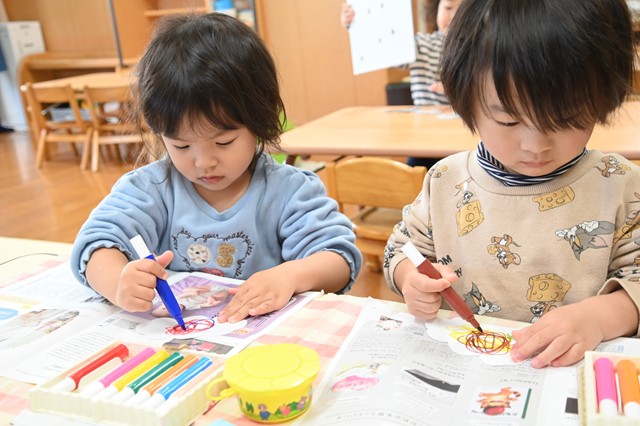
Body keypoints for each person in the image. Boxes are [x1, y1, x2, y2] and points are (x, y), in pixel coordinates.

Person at [383, 0, 640, 369]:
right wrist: (411, 280)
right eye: (507, 120)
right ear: (465, 99)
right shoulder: (445, 180)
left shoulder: (622, 187)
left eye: (567, 119)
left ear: (603, 100)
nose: (536, 145)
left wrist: (599, 317)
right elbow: (402, 251)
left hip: (570, 374)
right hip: (466, 366)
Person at [70, 13, 362, 324]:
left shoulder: (289, 191)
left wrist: (292, 274)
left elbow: (338, 259)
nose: (204, 162)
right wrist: (117, 282)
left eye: (223, 142)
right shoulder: (152, 188)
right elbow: (96, 243)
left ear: (260, 120)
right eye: (182, 146)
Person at [341, 0, 464, 168]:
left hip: (462, 141)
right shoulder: (421, 44)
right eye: (448, 8)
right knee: (411, 174)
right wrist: (356, 24)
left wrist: (458, 91)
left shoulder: (479, 50)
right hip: (425, 141)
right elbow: (382, 48)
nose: (454, 16)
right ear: (436, 9)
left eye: (462, 10)